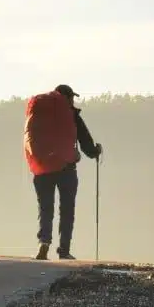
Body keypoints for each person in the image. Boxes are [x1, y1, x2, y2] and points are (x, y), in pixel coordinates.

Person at [34, 84, 102, 260]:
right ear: (67, 98)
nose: (73, 100)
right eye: (72, 97)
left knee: (45, 207)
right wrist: (95, 151)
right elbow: (85, 141)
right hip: (66, 169)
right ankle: (64, 250)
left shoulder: (40, 113)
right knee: (67, 209)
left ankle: (44, 242)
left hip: (43, 169)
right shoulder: (71, 115)